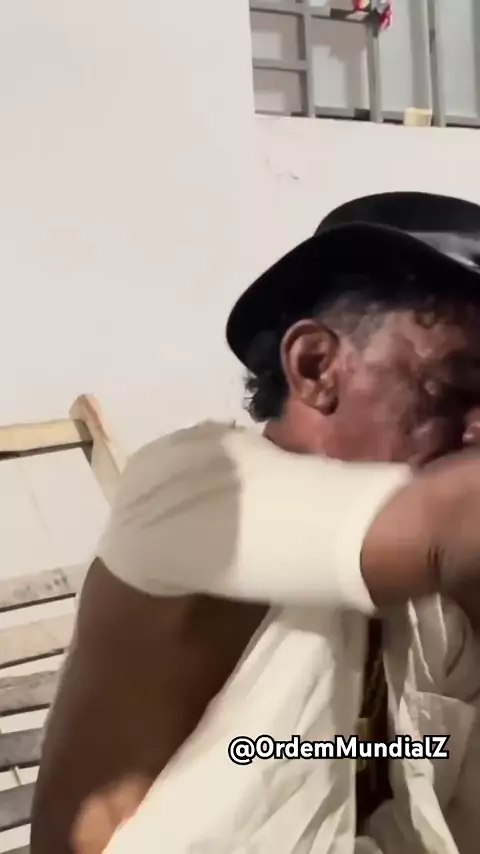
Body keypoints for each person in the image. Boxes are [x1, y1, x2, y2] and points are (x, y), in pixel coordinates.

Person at [31, 191, 480, 854]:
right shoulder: (196, 486)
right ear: (315, 366)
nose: (476, 429)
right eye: (452, 387)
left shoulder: (421, 600)